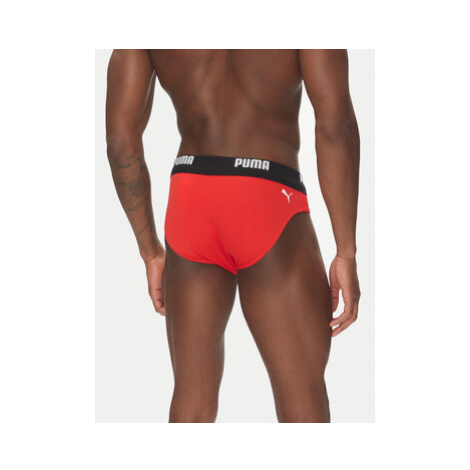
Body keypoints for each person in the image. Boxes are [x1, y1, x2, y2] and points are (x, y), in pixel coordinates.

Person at [105, 49, 361, 423]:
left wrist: (150, 252)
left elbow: (119, 140)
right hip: (266, 194)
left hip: (190, 196)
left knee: (191, 403)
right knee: (302, 398)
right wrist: (346, 250)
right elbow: (335, 126)